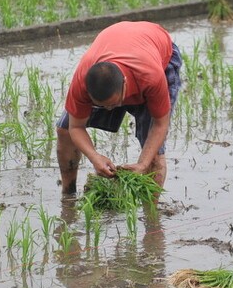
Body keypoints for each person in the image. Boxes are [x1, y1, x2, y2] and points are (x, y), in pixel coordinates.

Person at [56, 21, 182, 196]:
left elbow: (160, 125)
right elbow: (75, 127)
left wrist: (143, 164)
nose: (108, 110)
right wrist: (94, 156)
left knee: (153, 153)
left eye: (113, 104)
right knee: (64, 130)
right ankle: (68, 196)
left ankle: (152, 219)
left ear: (125, 83)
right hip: (119, 44)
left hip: (157, 52)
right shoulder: (82, 80)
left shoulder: (151, 76)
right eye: (101, 106)